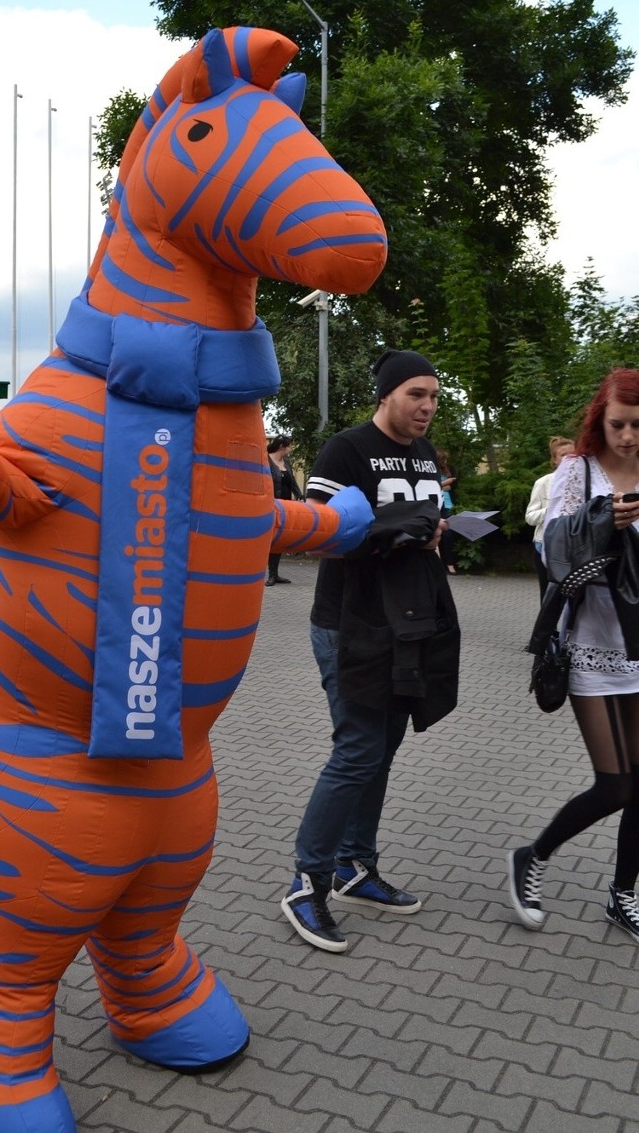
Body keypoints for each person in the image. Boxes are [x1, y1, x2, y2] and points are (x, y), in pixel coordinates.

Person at [281, 349, 459, 952]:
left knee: (381, 749)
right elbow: (316, 536)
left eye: (434, 396)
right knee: (357, 748)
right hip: (346, 623)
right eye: (416, 394)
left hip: (402, 622)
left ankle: (356, 868)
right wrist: (389, 529)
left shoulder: (425, 456)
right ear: (385, 394)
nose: (427, 406)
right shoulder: (346, 449)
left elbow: (423, 531)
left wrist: (430, 533)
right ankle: (308, 882)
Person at [509, 369, 639, 942]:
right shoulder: (576, 472)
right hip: (591, 640)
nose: (628, 436)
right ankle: (532, 856)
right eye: (618, 424)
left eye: (638, 425)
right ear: (599, 420)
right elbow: (549, 543)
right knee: (615, 785)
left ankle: (623, 894)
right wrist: (600, 521)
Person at [525, 436, 575, 600]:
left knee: (574, 596)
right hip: (545, 544)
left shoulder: (583, 482)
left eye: (572, 454)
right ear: (554, 459)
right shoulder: (543, 483)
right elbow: (530, 517)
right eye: (563, 455)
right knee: (548, 596)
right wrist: (552, 510)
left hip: (574, 545)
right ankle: (548, 626)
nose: (569, 458)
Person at [266, 434, 303, 585]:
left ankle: (275, 574)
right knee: (271, 539)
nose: (291, 449)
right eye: (289, 446)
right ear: (282, 447)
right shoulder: (266, 460)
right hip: (270, 506)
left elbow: (292, 482)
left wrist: (300, 495)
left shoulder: (286, 461)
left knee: (279, 539)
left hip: (285, 506)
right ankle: (270, 575)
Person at [436, 447, 458, 574]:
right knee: (436, 533)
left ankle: (450, 563)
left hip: (448, 504)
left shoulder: (449, 470)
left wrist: (445, 485)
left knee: (449, 534)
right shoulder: (431, 470)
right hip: (436, 505)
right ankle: (439, 563)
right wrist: (444, 484)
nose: (446, 461)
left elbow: (452, 487)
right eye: (443, 459)